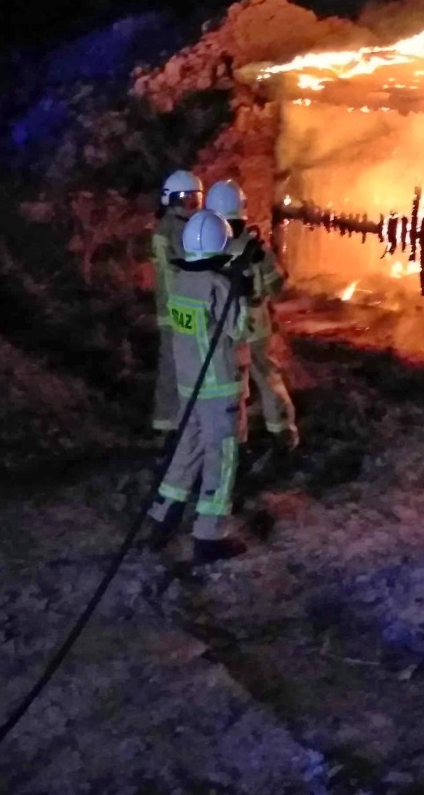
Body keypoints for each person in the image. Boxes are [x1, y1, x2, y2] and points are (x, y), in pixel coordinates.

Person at [144, 209, 253, 563]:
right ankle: (209, 536)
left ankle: (163, 517)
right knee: (220, 459)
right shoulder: (219, 286)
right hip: (218, 388)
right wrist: (243, 290)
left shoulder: (179, 282)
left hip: (189, 386)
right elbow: (240, 331)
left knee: (185, 451)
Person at [205, 179, 299, 450]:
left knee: (231, 384)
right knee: (267, 374)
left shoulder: (211, 246)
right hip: (256, 324)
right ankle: (282, 430)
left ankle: (235, 439)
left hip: (224, 325)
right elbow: (277, 286)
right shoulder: (258, 250)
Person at [151, 170, 203, 434]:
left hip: (179, 307)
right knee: (175, 367)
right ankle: (169, 426)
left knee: (178, 365)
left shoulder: (177, 226)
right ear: (171, 199)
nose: (190, 203)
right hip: (178, 309)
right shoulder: (173, 228)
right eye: (185, 198)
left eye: (194, 198)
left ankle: (175, 423)